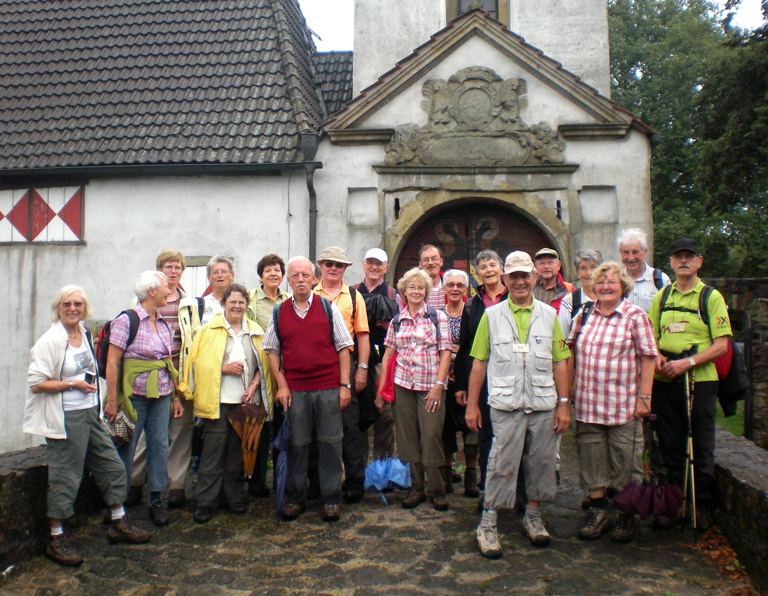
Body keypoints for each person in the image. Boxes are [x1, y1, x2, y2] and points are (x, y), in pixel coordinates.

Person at [25, 286, 150, 566]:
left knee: (112, 465)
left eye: (78, 304)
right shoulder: (49, 341)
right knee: (66, 477)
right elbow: (36, 384)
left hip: (89, 415)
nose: (73, 308)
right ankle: (56, 539)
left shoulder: (83, 333)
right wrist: (72, 384)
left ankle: (118, 521)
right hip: (66, 419)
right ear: (58, 308)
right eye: (67, 304)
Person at [466, 251, 571, 558]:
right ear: (505, 280)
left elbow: (560, 362)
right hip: (506, 403)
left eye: (526, 275)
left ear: (534, 277)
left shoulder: (549, 316)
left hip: (542, 402)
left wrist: (564, 404)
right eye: (514, 276)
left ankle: (533, 516)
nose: (521, 281)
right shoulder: (491, 316)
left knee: (541, 462)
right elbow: (478, 364)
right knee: (501, 462)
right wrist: (472, 406)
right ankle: (488, 523)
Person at [567, 262, 658, 543]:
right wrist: (567, 390)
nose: (606, 286)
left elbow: (648, 356)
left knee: (626, 461)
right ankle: (598, 510)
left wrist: (645, 398)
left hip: (623, 405)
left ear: (624, 287)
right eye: (601, 282)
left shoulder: (635, 316)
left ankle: (624, 514)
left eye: (612, 282)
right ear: (594, 286)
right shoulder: (583, 314)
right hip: (588, 403)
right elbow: (570, 350)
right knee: (591, 459)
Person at [262, 257, 354, 522]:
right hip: (296, 391)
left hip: (328, 388)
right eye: (294, 276)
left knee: (330, 444)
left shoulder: (328, 308)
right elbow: (272, 351)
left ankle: (330, 499)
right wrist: (282, 386)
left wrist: (344, 386)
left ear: (314, 278)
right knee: (297, 445)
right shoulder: (279, 312)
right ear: (288, 281)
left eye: (305, 275)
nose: (300, 280)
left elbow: (343, 349)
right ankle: (295, 498)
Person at [648, 238, 731, 529]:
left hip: (699, 379)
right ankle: (674, 504)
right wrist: (657, 355)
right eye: (678, 256)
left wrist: (689, 362)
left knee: (700, 441)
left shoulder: (710, 296)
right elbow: (651, 334)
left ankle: (701, 507)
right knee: (670, 443)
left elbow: (721, 345)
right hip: (666, 378)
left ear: (699, 261)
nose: (683, 261)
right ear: (670, 262)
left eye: (689, 256)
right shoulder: (663, 296)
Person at [184, 284, 272, 523]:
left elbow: (262, 367)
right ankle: (205, 502)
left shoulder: (255, 330)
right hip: (217, 401)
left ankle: (233, 497)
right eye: (232, 302)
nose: (237, 306)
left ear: (247, 305)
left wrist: (254, 385)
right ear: (223, 303)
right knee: (213, 451)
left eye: (241, 302)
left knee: (236, 453)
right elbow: (196, 364)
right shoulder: (208, 330)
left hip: (244, 403)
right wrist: (223, 368)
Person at [106, 271, 184, 526]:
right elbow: (113, 362)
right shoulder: (126, 321)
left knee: (160, 444)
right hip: (134, 396)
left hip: (161, 393)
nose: (168, 291)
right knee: (127, 447)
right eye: (164, 287)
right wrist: (112, 401)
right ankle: (116, 505)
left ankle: (156, 501)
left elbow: (167, 363)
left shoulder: (162, 321)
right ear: (151, 292)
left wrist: (174, 398)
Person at [127, 249, 201, 509]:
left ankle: (176, 484)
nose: (173, 271)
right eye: (168, 267)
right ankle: (135, 481)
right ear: (159, 271)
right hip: (149, 378)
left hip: (181, 376)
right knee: (147, 433)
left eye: (177, 267)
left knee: (180, 432)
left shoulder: (189, 303)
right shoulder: (140, 301)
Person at [375, 267, 452, 511]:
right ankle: (415, 488)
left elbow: (446, 353)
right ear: (404, 292)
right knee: (407, 440)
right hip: (403, 386)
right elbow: (388, 356)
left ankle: (437, 490)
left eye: (421, 288)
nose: (416, 291)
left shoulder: (437, 317)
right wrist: (380, 392)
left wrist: (439, 386)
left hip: (431, 386)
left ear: (426, 292)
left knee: (431, 437)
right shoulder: (397, 321)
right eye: (412, 287)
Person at [313, 246, 370, 504]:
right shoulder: (309, 294)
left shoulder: (354, 296)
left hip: (346, 368)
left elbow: (363, 336)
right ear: (321, 267)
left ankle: (355, 482)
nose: (333, 269)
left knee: (350, 428)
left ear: (345, 268)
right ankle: (317, 482)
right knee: (316, 429)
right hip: (316, 370)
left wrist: (363, 368)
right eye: (328, 264)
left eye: (338, 265)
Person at [454, 250, 509, 491]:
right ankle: (489, 492)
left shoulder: (514, 299)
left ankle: (514, 491)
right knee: (485, 437)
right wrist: (461, 385)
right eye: (483, 266)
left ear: (501, 269)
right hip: (482, 379)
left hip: (510, 376)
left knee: (511, 436)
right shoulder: (473, 305)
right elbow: (464, 347)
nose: (488, 270)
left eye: (492, 265)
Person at [246, 253, 290, 498]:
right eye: (268, 270)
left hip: (285, 371)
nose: (273, 274)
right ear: (261, 275)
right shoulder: (251, 301)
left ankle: (282, 478)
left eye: (277, 270)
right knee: (261, 427)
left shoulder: (289, 300)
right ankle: (257, 479)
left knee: (283, 426)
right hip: (260, 370)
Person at [353, 248, 400, 461]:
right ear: (363, 265)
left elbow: (404, 327)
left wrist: (390, 324)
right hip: (358, 360)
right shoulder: (351, 291)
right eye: (370, 263)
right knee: (358, 415)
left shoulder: (393, 295)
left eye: (378, 264)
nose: (374, 267)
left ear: (386, 268)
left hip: (384, 361)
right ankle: (360, 468)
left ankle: (384, 466)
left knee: (385, 415)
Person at [439, 269, 480, 498]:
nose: (455, 289)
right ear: (444, 289)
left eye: (459, 285)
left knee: (470, 429)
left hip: (468, 378)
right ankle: (446, 472)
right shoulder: (436, 315)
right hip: (444, 382)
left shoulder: (473, 314)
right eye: (450, 285)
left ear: (466, 289)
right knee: (445, 429)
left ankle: (471, 476)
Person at [618, 228, 671, 313]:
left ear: (645, 252)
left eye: (635, 252)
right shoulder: (615, 280)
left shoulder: (661, 280)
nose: (631, 258)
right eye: (626, 252)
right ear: (620, 253)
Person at [558, 249, 603, 338]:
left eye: (593, 267)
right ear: (577, 273)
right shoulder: (570, 301)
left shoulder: (610, 299)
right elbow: (562, 337)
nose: (589, 273)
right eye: (583, 268)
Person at [532, 248, 574, 314]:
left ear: (558, 266)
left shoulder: (569, 290)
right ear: (536, 266)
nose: (546, 266)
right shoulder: (530, 289)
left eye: (550, 263)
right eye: (542, 263)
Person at [200, 256, 236, 325]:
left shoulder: (240, 303)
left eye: (224, 272)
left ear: (232, 276)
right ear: (209, 278)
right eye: (215, 272)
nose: (219, 275)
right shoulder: (200, 304)